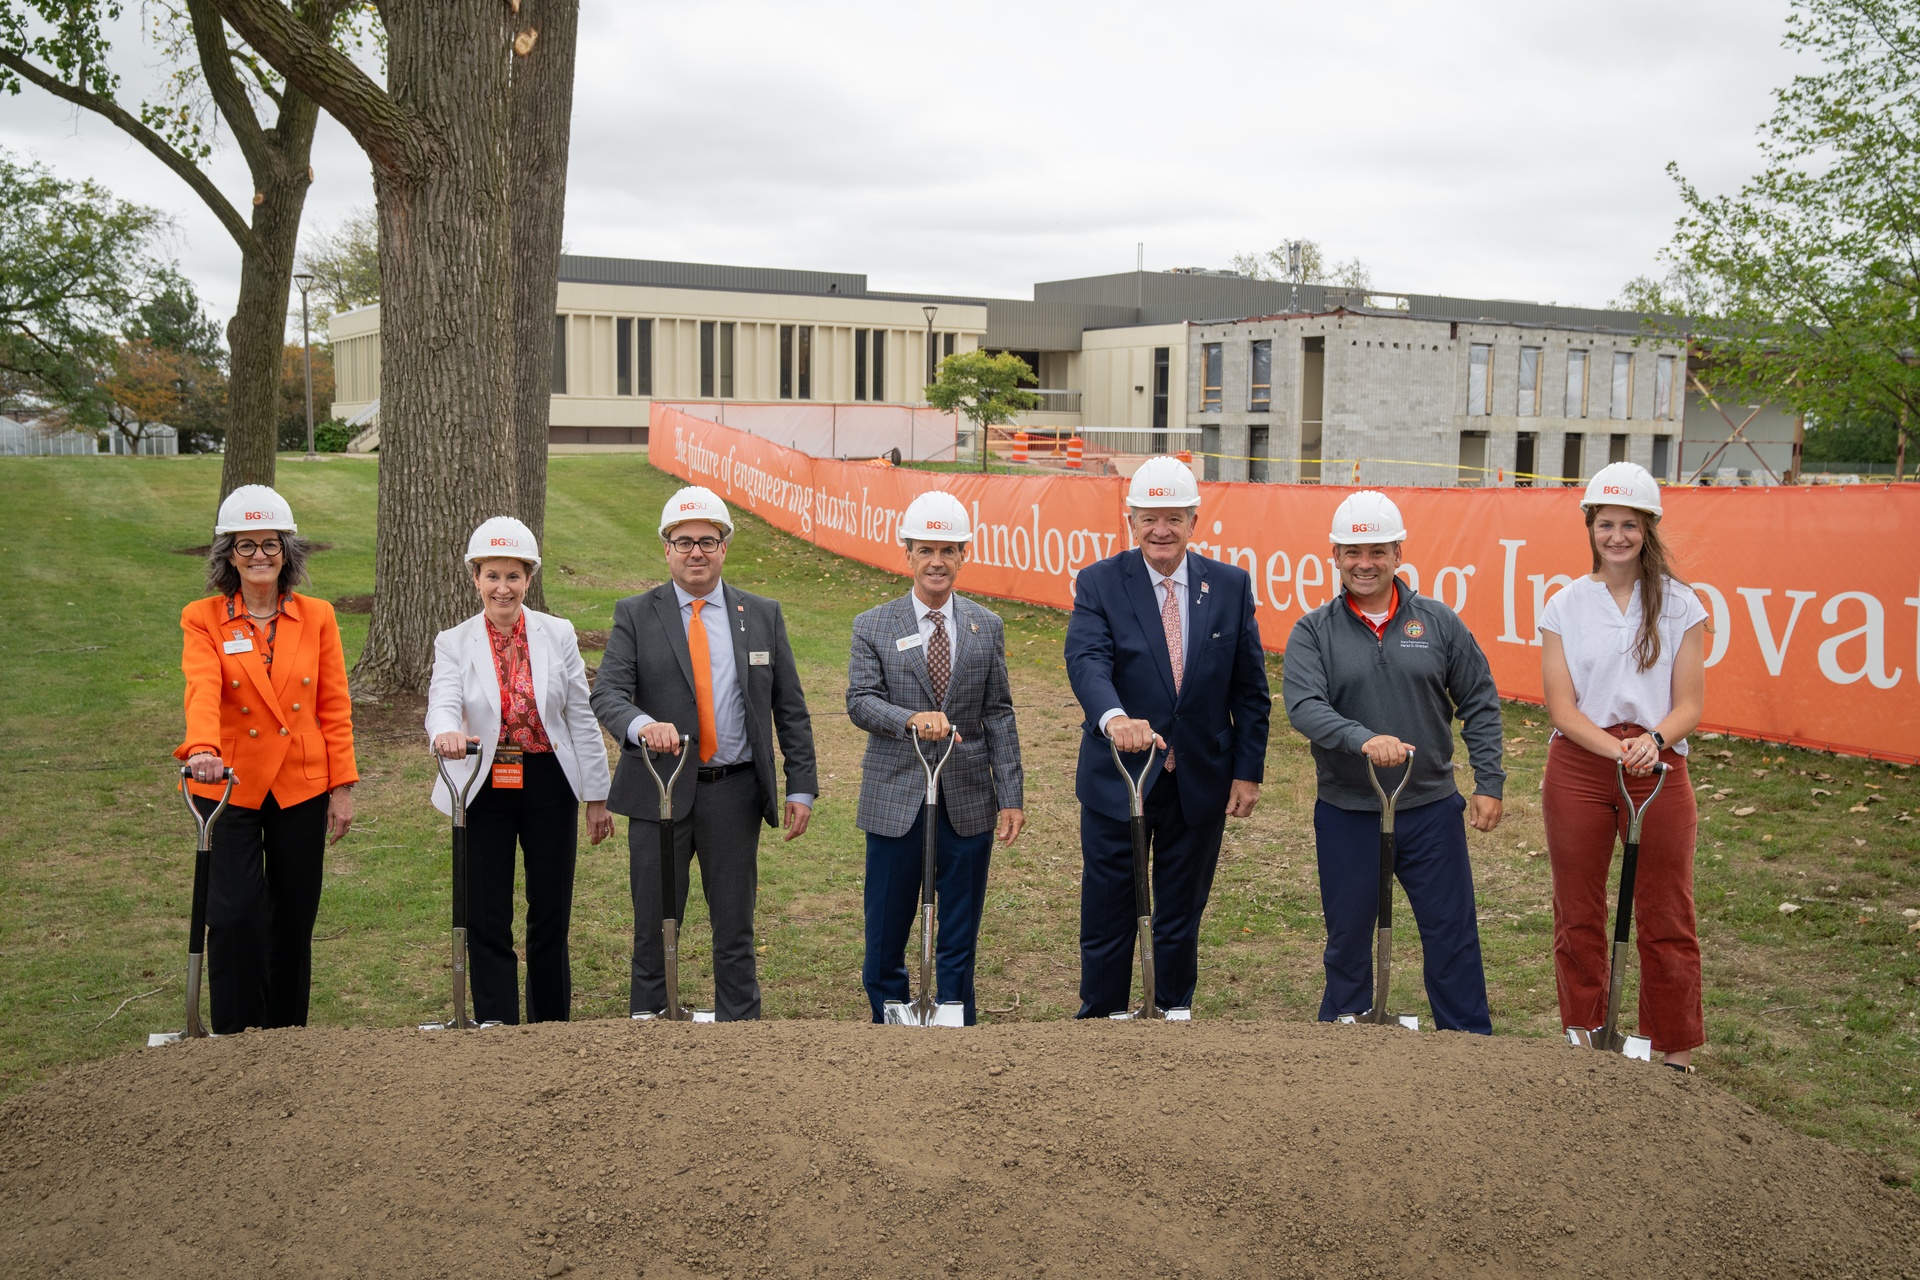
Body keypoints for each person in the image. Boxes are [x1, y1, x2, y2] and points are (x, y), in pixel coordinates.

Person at [591, 486, 817, 1021]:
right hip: (659, 793)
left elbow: (789, 706)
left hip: (733, 792)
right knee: (654, 925)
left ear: (724, 546)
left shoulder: (761, 614)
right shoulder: (635, 614)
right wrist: (644, 727)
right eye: (684, 541)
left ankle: (739, 1039)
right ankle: (650, 1027)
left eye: (708, 542)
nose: (697, 552)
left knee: (735, 928)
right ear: (666, 548)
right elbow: (607, 694)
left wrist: (801, 785)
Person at [1282, 490, 1503, 1034]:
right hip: (1349, 808)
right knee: (1349, 934)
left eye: (1377, 551)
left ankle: (1468, 1041)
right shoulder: (1314, 631)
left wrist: (1489, 780)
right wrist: (1362, 738)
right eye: (1353, 552)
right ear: (1334, 556)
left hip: (1429, 807)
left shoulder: (1437, 622)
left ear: (1398, 553)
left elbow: (1479, 699)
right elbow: (1305, 707)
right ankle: (1345, 1033)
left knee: (1451, 931)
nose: (1365, 564)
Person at [1063, 456, 1270, 1018]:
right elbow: (1087, 661)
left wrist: (1247, 770)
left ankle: (1172, 1019)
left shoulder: (1228, 585)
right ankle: (1103, 1019)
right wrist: (1113, 719)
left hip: (1199, 781)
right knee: (1108, 913)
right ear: (1130, 520)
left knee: (1180, 914)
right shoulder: (1101, 582)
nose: (1161, 529)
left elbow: (1250, 689)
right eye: (1149, 517)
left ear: (1194, 521)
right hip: (1119, 778)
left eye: (1174, 517)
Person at [1540, 462, 1707, 1072]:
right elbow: (1561, 705)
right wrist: (1618, 749)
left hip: (1660, 767)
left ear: (1648, 528)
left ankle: (1673, 1048)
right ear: (1590, 527)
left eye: (1629, 525)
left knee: (1666, 911)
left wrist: (1653, 740)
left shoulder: (1682, 605)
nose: (1617, 536)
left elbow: (1689, 703)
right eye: (1605, 523)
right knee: (1577, 909)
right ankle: (1585, 1035)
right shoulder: (1565, 605)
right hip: (1580, 767)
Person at [177, 484, 357, 1033]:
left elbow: (333, 700)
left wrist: (342, 784)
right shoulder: (204, 617)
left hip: (301, 783)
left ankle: (285, 1041)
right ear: (228, 554)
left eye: (271, 545)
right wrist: (202, 748)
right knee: (231, 918)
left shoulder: (318, 615)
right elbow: (202, 688)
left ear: (288, 551)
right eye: (246, 545)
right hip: (231, 784)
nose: (259, 556)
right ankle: (236, 1038)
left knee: (293, 919)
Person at [425, 517, 614, 1025]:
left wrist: (596, 795)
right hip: (483, 781)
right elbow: (442, 701)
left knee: (550, 908)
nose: (502, 587)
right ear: (475, 578)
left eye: (513, 576)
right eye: (492, 576)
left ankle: (550, 1024)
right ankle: (496, 1022)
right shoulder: (454, 641)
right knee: (486, 911)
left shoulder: (558, 633)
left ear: (528, 579)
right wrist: (444, 731)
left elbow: (579, 714)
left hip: (549, 779)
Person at [847, 491, 1025, 1024]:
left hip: (968, 800)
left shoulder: (985, 626)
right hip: (895, 796)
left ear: (964, 555)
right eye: (926, 550)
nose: (937, 562)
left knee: (961, 923)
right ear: (907, 554)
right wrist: (908, 718)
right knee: (887, 923)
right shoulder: (873, 624)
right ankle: (890, 1011)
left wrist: (1011, 795)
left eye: (948, 550)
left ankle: (953, 1011)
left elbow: (999, 712)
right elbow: (859, 700)